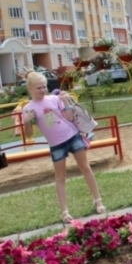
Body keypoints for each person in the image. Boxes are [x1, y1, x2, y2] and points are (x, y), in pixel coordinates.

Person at [21, 71, 104, 224]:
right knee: (60, 177)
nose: (43, 90)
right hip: (56, 144)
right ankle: (65, 212)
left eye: (44, 86)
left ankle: (98, 200)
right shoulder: (28, 109)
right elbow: (28, 135)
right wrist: (26, 121)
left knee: (85, 167)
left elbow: (69, 118)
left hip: (72, 136)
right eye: (39, 88)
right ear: (30, 88)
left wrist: (65, 102)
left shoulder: (53, 99)